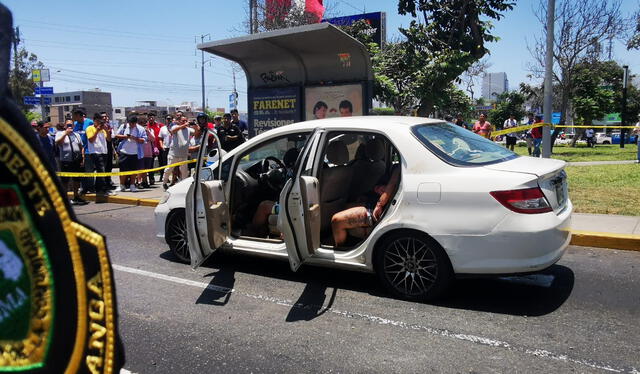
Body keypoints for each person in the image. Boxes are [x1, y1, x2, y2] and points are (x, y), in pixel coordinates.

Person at [331, 166, 401, 247]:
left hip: (380, 210)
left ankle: (340, 250)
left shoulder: (398, 168)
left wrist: (379, 204)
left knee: (336, 220)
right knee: (345, 206)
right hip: (374, 203)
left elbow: (392, 185)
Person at [56, 119, 88, 205]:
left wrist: (83, 157)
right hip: (66, 160)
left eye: (71, 125)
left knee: (76, 180)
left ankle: (76, 196)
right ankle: (65, 198)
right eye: (68, 125)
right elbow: (58, 143)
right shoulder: (60, 133)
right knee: (65, 180)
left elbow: (81, 147)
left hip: (76, 161)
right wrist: (65, 134)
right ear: (65, 126)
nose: (70, 126)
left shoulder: (76, 135)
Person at [86, 113, 115, 195]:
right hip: (95, 152)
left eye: (101, 122)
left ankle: (99, 188)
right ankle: (101, 189)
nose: (99, 123)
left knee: (102, 171)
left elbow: (109, 140)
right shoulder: (90, 128)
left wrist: (106, 130)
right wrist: (97, 130)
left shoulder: (103, 129)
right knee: (101, 170)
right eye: (98, 121)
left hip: (104, 152)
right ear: (94, 120)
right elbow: (91, 140)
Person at [115, 115, 147, 192]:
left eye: (133, 123)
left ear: (136, 123)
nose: (131, 125)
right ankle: (122, 185)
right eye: (130, 123)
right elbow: (116, 135)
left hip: (135, 152)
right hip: (124, 151)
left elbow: (144, 140)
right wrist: (125, 137)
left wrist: (134, 138)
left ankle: (132, 185)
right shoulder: (124, 126)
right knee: (122, 170)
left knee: (133, 170)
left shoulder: (141, 129)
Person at [162, 115, 192, 190]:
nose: (185, 122)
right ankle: (164, 182)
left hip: (183, 154)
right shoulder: (175, 127)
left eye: (186, 121)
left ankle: (184, 185)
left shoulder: (188, 129)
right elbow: (172, 131)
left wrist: (195, 125)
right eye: (183, 121)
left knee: (184, 171)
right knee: (169, 169)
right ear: (179, 121)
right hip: (174, 154)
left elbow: (196, 132)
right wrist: (183, 125)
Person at [72, 108, 95, 194]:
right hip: (78, 151)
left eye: (75, 116)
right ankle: (83, 187)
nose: (73, 117)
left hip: (88, 150)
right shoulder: (75, 124)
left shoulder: (89, 122)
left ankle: (91, 187)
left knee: (89, 170)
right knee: (81, 170)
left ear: (79, 115)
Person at [146, 112, 164, 184]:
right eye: (149, 117)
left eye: (152, 117)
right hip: (151, 148)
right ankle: (151, 179)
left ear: (154, 118)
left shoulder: (160, 125)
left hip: (159, 147)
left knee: (162, 163)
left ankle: (162, 177)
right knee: (150, 164)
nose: (151, 118)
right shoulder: (146, 126)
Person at [138, 120, 156, 188]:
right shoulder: (138, 131)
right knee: (140, 168)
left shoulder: (150, 130)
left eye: (145, 124)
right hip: (140, 152)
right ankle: (139, 182)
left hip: (148, 152)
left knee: (146, 168)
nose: (144, 125)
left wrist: (148, 131)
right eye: (142, 124)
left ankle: (145, 181)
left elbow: (153, 139)